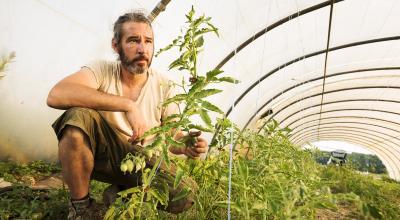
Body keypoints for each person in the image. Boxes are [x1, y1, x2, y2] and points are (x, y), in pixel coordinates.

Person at [47, 11, 208, 219]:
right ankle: (81, 208)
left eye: (148, 41)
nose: (142, 49)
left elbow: (172, 136)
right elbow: (57, 95)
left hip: (143, 161)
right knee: (77, 117)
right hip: (105, 152)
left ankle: (121, 193)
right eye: (133, 41)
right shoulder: (102, 70)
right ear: (116, 45)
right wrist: (127, 105)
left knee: (186, 194)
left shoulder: (165, 85)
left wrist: (185, 145)